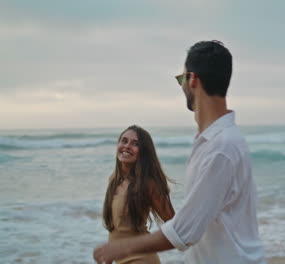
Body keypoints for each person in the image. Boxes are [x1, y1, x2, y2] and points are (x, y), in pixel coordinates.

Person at [94, 40, 266, 264]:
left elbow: (185, 230)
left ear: (192, 79)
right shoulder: (210, 143)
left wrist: (123, 248)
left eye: (181, 79)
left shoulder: (220, 148)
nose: (182, 85)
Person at [101, 125, 175, 264]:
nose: (127, 146)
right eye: (124, 141)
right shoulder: (114, 180)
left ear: (143, 152)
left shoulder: (148, 184)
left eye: (135, 144)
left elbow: (174, 224)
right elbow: (116, 230)